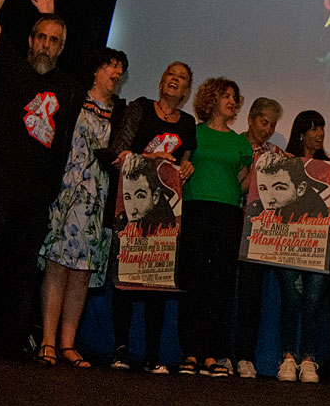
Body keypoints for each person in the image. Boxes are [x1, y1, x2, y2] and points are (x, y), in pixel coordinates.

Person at [0, 0, 81, 362]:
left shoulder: (67, 87)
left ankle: (12, 344)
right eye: (41, 38)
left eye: (55, 40)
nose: (47, 44)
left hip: (36, 196)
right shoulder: (13, 67)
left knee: (20, 272)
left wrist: (52, 18)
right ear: (30, 42)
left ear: (61, 49)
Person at [37, 48, 128, 368]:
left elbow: (122, 153)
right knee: (58, 267)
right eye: (111, 66)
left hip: (98, 201)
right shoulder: (75, 97)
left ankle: (68, 344)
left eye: (120, 69)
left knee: (82, 273)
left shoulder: (121, 113)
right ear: (95, 70)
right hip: (68, 193)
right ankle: (47, 341)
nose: (116, 73)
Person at [106, 61, 196, 374]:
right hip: (129, 206)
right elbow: (117, 152)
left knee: (157, 280)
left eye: (181, 78)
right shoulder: (140, 109)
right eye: (170, 74)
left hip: (163, 214)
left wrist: (186, 168)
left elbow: (184, 164)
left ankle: (153, 354)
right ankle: (120, 348)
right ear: (160, 81)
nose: (174, 79)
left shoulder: (187, 122)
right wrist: (149, 158)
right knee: (126, 278)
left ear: (186, 91)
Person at [177, 77, 254, 377]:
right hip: (196, 209)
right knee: (193, 281)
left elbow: (243, 183)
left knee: (220, 285)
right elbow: (177, 170)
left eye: (235, 97)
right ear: (211, 99)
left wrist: (258, 172)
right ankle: (190, 353)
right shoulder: (192, 134)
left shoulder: (239, 143)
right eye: (226, 96)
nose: (232, 101)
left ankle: (213, 354)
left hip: (227, 214)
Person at [273, 110, 330, 384]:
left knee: (313, 301)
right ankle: (287, 357)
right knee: (291, 299)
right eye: (313, 129)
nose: (319, 133)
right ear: (301, 133)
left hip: (319, 247)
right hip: (287, 243)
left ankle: (308, 359)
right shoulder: (283, 165)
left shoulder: (329, 168)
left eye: (321, 128)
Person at [233, 97, 283, 379]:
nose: (267, 129)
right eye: (264, 122)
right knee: (226, 292)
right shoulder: (234, 144)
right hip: (232, 224)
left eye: (273, 125)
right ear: (251, 119)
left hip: (260, 234)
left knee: (251, 296)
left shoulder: (275, 152)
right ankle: (219, 353)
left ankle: (245, 355)